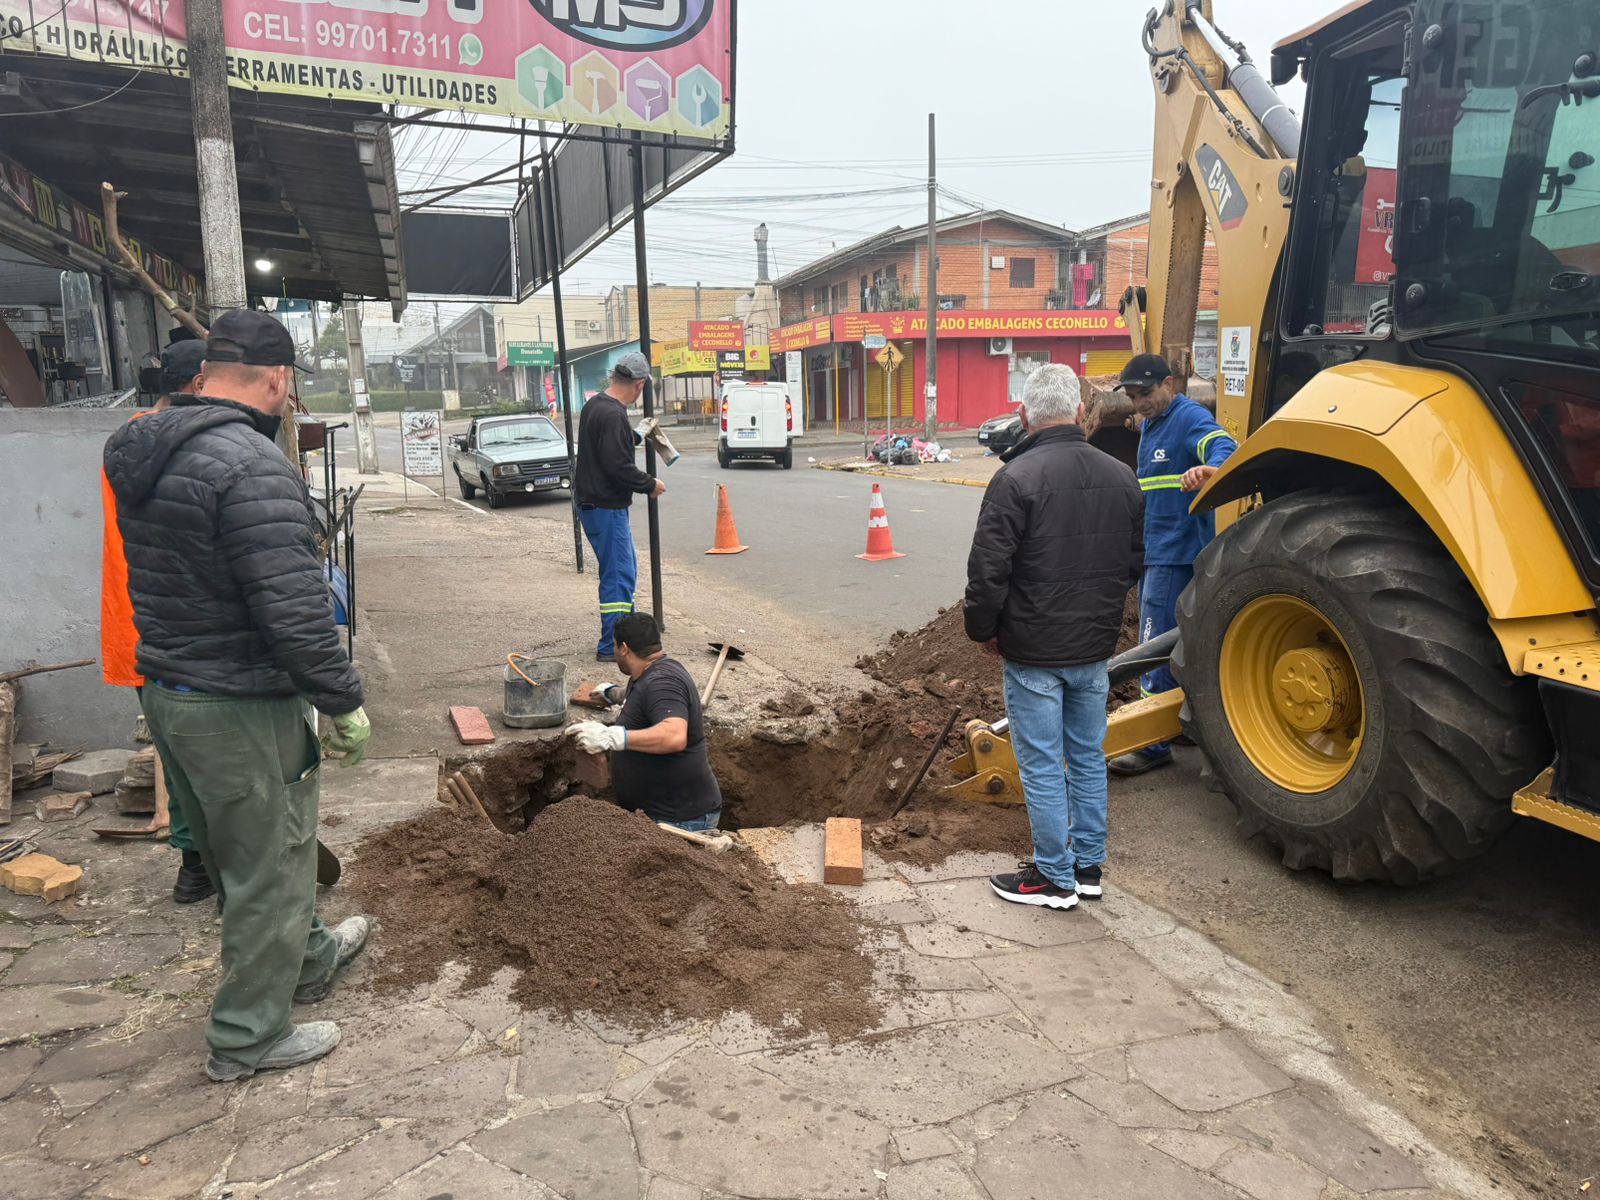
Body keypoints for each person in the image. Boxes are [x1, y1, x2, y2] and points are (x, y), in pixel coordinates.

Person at [103, 309, 373, 1083]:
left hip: (171, 688)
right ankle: (248, 1036)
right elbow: (293, 609)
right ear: (278, 379)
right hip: (238, 701)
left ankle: (311, 956)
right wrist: (342, 698)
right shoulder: (252, 468)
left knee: (238, 852)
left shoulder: (143, 447)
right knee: (271, 863)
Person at [964, 364, 1142, 910]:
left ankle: (1052, 877)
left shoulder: (1015, 478)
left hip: (1034, 652)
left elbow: (988, 572)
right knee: (1088, 757)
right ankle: (1087, 868)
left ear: (1024, 416)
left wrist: (984, 631)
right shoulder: (1121, 475)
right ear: (1082, 412)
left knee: (1041, 764)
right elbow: (1133, 562)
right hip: (1092, 648)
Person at [101, 340, 215, 903]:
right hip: (184, 630)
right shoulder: (194, 449)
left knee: (179, 759)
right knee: (223, 763)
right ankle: (230, 875)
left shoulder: (127, 443)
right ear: (200, 383)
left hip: (136, 628)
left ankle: (193, 866)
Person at [1107, 353, 1238, 777]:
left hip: (1175, 554)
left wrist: (1211, 469)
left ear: (1169, 384)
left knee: (1152, 649)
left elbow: (1223, 444)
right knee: (1179, 646)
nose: (1139, 403)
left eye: (1145, 394)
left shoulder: (1187, 417)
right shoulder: (1151, 425)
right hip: (1159, 550)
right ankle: (1177, 721)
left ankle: (1152, 744)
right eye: (1131, 396)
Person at [567, 612, 723, 832]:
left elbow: (674, 736)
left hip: (682, 822)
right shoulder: (647, 673)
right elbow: (640, 695)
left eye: (614, 646)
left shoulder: (663, 682)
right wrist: (611, 693)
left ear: (624, 649)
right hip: (657, 817)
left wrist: (612, 737)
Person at [573, 351, 666, 662]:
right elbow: (618, 466)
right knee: (619, 576)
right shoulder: (613, 414)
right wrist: (649, 484)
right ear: (639, 385)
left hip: (594, 505)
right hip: (606, 506)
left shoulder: (596, 405)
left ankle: (626, 639)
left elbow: (611, 445)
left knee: (623, 572)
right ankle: (610, 647)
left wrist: (636, 435)